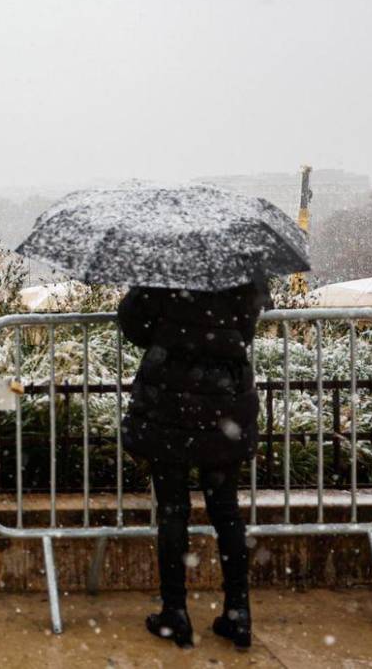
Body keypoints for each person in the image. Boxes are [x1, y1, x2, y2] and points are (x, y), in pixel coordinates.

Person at [118, 278, 271, 650]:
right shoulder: (244, 271)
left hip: (170, 403)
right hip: (225, 403)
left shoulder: (163, 269)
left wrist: (172, 339)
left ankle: (176, 612)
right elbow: (246, 328)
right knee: (226, 510)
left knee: (172, 510)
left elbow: (133, 324)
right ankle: (238, 613)